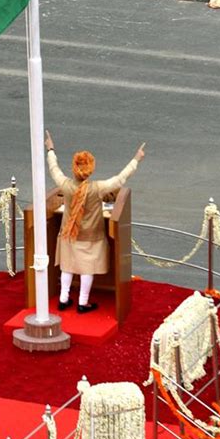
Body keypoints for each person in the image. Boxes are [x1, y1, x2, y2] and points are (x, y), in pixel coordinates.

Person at [45, 131, 145, 312]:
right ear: (90, 170)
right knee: (86, 269)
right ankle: (83, 303)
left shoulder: (65, 185)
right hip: (91, 237)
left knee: (67, 266)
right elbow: (120, 179)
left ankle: (63, 299)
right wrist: (136, 159)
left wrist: (50, 148)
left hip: (69, 234)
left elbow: (54, 169)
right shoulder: (98, 188)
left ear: (74, 168)